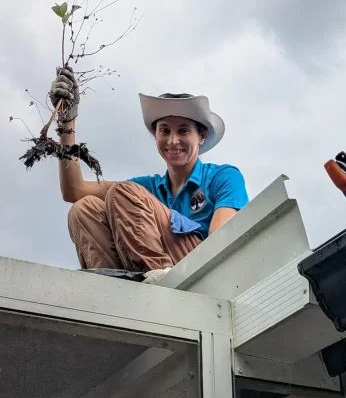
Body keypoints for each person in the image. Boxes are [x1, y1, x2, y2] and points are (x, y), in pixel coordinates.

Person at [50, 66, 249, 284]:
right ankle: (111, 287)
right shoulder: (148, 188)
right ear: (155, 136)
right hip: (139, 278)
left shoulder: (222, 177)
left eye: (183, 130)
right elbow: (73, 191)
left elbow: (220, 244)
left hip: (200, 275)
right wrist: (67, 122)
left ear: (201, 137)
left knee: (122, 192)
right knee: (83, 208)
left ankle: (160, 281)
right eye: (164, 130)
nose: (173, 140)